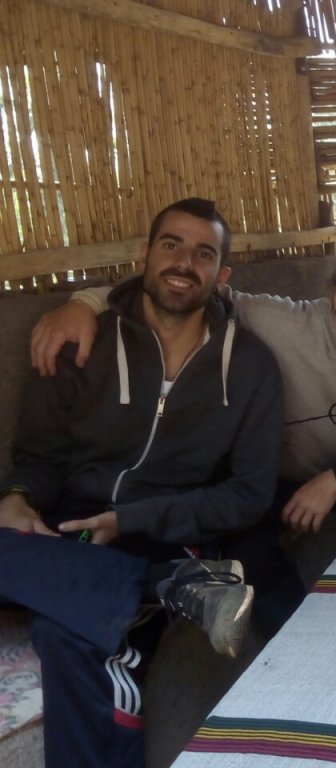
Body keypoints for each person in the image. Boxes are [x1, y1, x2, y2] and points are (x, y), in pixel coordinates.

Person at [30, 237, 336, 635]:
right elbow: (182, 295)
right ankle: (298, 650)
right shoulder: (281, 323)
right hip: (263, 481)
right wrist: (86, 302)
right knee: (252, 556)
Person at [0, 197, 284, 768]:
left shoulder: (251, 367)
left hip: (167, 528)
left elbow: (250, 493)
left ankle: (156, 574)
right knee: (58, 614)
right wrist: (18, 497)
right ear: (144, 256)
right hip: (73, 524)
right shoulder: (82, 341)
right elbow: (40, 454)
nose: (184, 262)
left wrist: (133, 520)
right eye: (171, 245)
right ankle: (167, 588)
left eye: (204, 253)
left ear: (222, 275)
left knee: (63, 636)